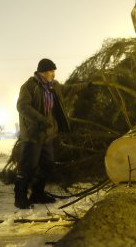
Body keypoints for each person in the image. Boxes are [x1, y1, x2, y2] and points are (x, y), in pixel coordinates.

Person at [15, 58, 90, 209]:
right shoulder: (30, 86)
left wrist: (87, 85)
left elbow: (68, 89)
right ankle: (20, 197)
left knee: (47, 166)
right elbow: (22, 106)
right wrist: (39, 119)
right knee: (28, 167)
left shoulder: (53, 86)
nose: (53, 74)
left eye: (54, 71)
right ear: (43, 72)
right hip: (33, 134)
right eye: (51, 71)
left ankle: (37, 193)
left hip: (48, 134)